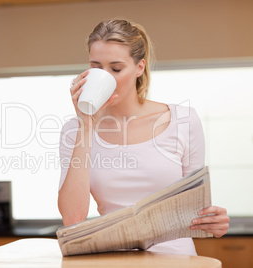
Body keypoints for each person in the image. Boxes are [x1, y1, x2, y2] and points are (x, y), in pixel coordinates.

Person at [57, 19, 229, 255]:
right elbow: (72, 218)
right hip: (110, 259)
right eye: (96, 67)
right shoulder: (73, 131)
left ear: (139, 68)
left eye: (116, 69)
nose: (105, 76)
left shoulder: (183, 120)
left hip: (174, 258)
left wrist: (213, 221)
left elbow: (194, 208)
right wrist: (86, 125)